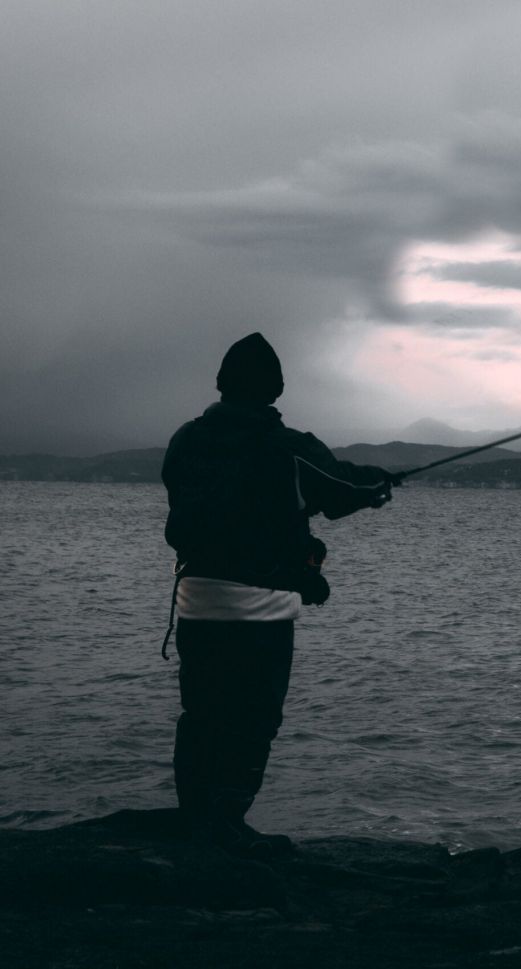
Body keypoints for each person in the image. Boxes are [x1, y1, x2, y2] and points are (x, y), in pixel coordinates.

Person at [162, 332, 397, 858]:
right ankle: (225, 823)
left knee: (200, 714)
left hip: (196, 604)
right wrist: (382, 482)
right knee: (253, 718)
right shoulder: (287, 447)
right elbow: (340, 489)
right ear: (276, 388)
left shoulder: (184, 441)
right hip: (259, 613)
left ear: (221, 384)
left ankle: (196, 820)